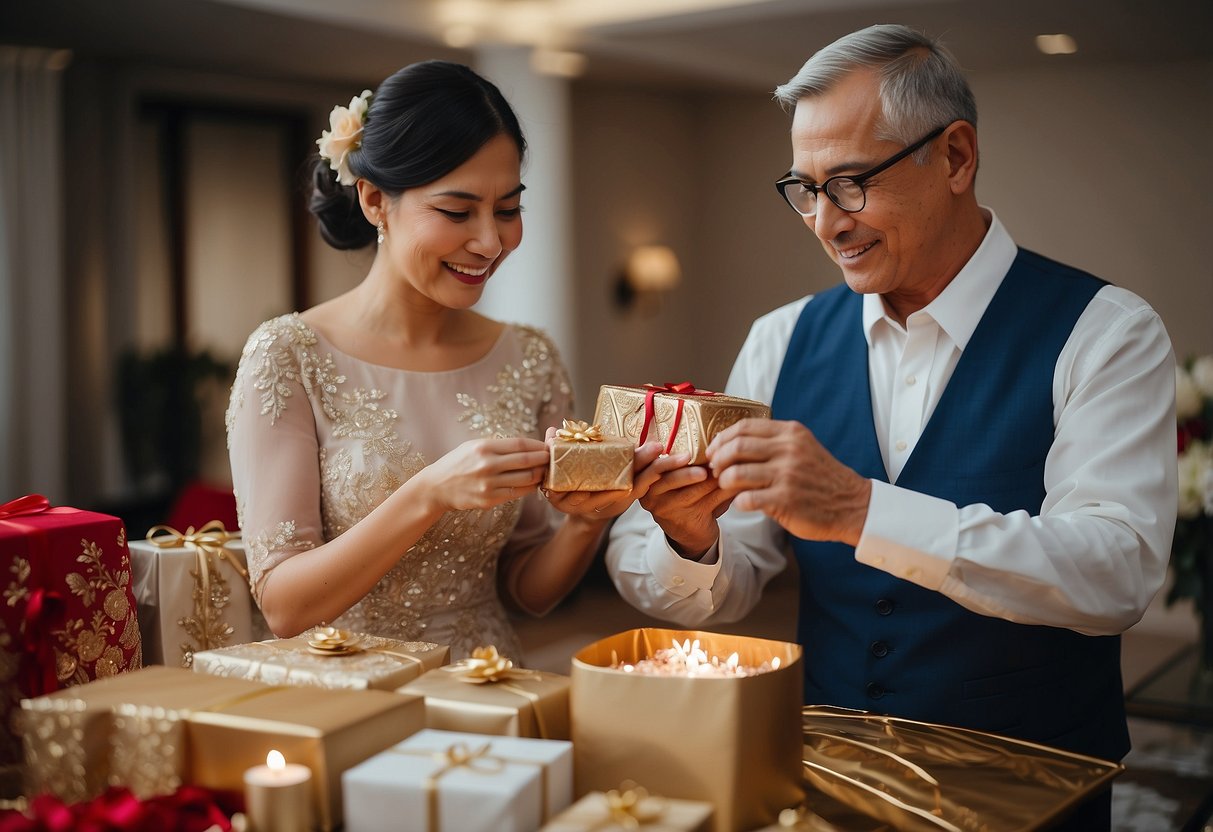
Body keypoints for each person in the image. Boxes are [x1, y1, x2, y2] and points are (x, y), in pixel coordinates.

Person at [606, 24, 1176, 829]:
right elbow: (722, 590)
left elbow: (1116, 574)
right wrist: (691, 540)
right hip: (822, 777)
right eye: (804, 188)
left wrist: (859, 511)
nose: (824, 222)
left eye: (850, 183)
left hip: (1035, 787)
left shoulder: (1106, 331)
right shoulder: (779, 339)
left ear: (954, 157)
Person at [226, 60, 661, 662]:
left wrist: (588, 522)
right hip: (345, 697)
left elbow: (526, 592)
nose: (489, 241)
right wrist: (428, 492)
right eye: (457, 212)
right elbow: (283, 607)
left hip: (488, 691)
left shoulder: (530, 357)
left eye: (507, 210)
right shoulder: (288, 356)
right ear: (375, 199)